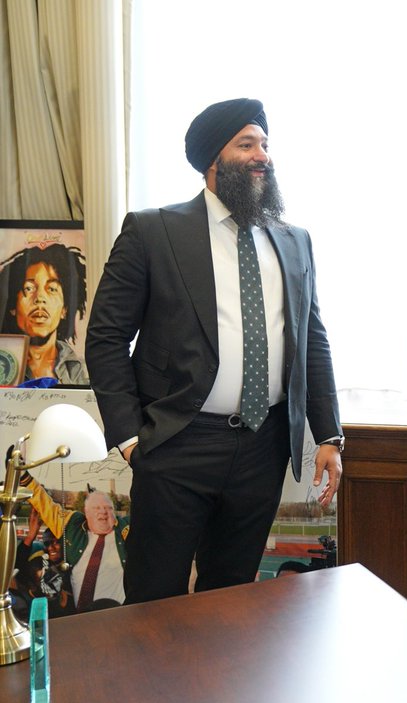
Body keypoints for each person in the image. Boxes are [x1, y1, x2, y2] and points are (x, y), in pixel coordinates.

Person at [85, 98, 344, 604]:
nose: (262, 155)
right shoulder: (153, 231)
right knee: (154, 598)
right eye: (246, 144)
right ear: (212, 161)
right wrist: (130, 438)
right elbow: (106, 336)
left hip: (263, 445)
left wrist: (329, 434)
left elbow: (312, 338)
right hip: (177, 442)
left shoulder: (295, 241)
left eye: (265, 144)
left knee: (231, 598)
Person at [27, 479, 129, 611]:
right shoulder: (73, 526)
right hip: (78, 616)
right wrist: (24, 478)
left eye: (108, 508)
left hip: (117, 614)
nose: (103, 512)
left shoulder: (126, 529)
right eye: (96, 508)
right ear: (86, 513)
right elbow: (45, 505)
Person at [0, 243, 88, 384]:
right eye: (29, 288)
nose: (40, 298)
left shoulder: (81, 372)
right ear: (12, 306)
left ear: (64, 309)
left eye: (52, 289)